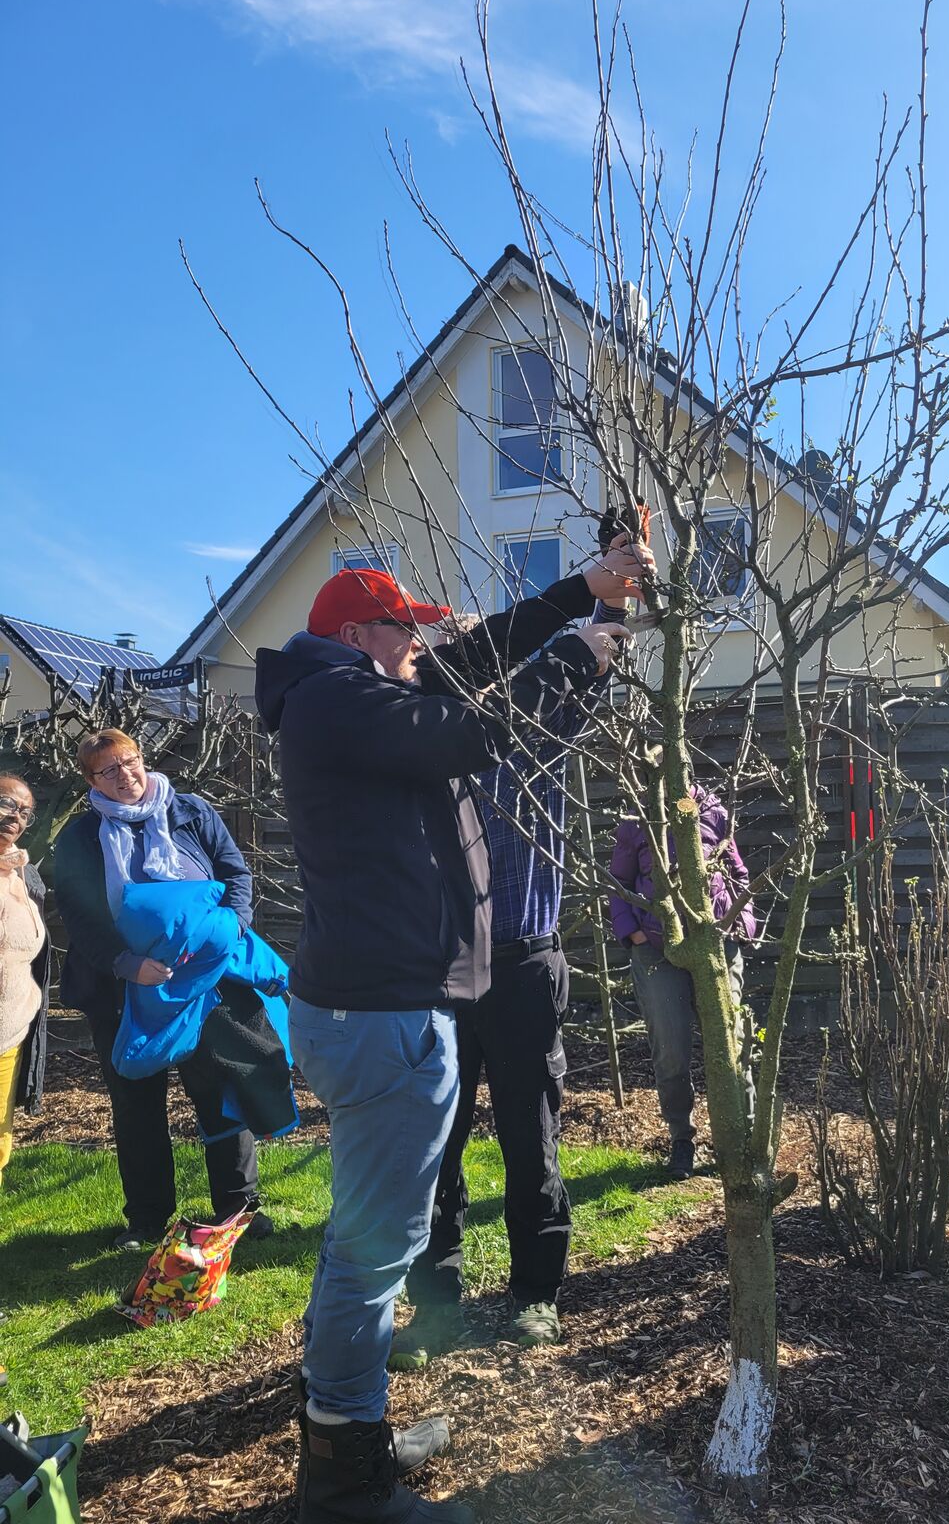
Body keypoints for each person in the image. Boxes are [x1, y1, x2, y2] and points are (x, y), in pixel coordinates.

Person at [256, 539, 648, 1524]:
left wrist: (577, 596)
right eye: (408, 629)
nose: (423, 644)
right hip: (383, 1014)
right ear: (362, 633)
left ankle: (352, 1428)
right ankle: (347, 1484)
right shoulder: (338, 700)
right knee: (372, 1248)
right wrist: (572, 657)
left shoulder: (344, 691)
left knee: (367, 1234)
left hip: (386, 1004)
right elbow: (471, 731)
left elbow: (469, 672)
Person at [394, 594, 627, 1369]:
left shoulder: (538, 732)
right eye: (454, 656)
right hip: (442, 974)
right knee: (438, 1147)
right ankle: (434, 1309)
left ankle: (535, 1296)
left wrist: (613, 580)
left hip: (526, 962)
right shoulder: (422, 750)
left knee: (533, 1140)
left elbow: (592, 658)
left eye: (482, 654)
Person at [55, 730, 273, 1249]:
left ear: (143, 757)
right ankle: (148, 1220)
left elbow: (236, 875)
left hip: (204, 984)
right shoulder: (83, 835)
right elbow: (78, 915)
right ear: (91, 780)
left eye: (129, 761)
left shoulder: (192, 811)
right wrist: (127, 963)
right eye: (108, 770)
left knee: (219, 1091)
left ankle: (238, 1210)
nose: (125, 775)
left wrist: (228, 932)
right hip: (122, 989)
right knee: (136, 1103)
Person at [609, 784, 756, 1179]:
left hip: (718, 944)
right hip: (658, 952)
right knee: (671, 1049)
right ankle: (681, 1140)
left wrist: (743, 922)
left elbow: (737, 871)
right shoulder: (637, 819)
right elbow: (618, 883)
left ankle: (744, 1140)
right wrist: (633, 934)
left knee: (731, 1041)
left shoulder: (712, 808)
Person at [0, 775, 51, 1191]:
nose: (14, 816)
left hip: (11, 1033)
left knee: (0, 1143)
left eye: (24, 811)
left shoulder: (24, 873)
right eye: (6, 803)